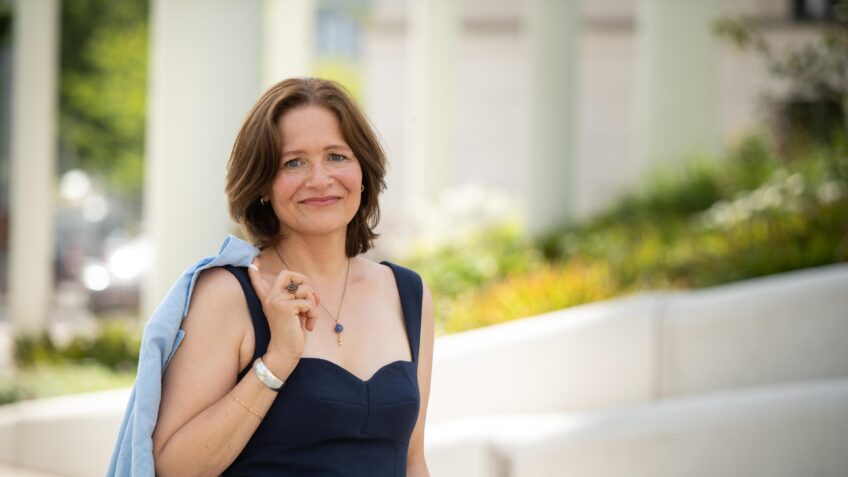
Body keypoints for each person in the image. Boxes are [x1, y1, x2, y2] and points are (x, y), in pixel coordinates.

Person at [149, 77, 434, 476]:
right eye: (293, 162)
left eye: (337, 156)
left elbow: (412, 459)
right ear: (263, 184)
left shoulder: (407, 294)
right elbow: (174, 468)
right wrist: (277, 361)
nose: (319, 179)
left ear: (363, 171)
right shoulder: (228, 294)